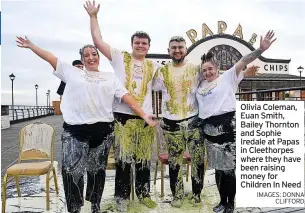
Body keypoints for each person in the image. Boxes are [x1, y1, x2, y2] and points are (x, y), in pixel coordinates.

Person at [16, 36, 157, 213]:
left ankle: (95, 204)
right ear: (82, 59)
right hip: (75, 130)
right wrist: (31, 46)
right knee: (71, 171)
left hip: (103, 130)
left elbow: (126, 97)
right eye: (86, 55)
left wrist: (144, 115)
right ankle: (74, 208)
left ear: (98, 57)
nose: (91, 57)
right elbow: (50, 57)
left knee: (97, 171)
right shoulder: (71, 72)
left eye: (94, 54)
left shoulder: (110, 78)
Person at [84, 1, 160, 211]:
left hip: (146, 117)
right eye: (137, 42)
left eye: (144, 43)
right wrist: (93, 17)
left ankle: (144, 194)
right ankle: (122, 198)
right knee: (124, 160)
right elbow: (98, 41)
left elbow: (172, 84)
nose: (141, 46)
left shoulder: (153, 65)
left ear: (149, 47)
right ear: (132, 44)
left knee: (144, 158)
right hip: (122, 116)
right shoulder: (120, 57)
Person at [196, 31, 276, 213]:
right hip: (208, 129)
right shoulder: (200, 85)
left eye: (210, 69)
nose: (207, 72)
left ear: (217, 68)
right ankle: (221, 201)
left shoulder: (228, 77)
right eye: (204, 70)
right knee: (217, 169)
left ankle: (230, 203)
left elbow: (244, 60)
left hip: (226, 126)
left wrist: (260, 50)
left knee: (228, 169)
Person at [152, 36, 205, 207]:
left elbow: (213, 83)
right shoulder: (161, 72)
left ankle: (197, 193)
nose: (177, 50)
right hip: (171, 123)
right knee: (175, 162)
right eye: (173, 47)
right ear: (168, 51)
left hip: (194, 120)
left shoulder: (196, 69)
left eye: (180, 47)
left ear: (186, 49)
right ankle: (177, 195)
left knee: (197, 159)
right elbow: (149, 89)